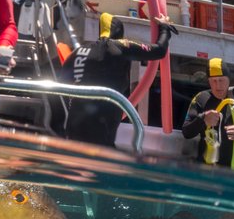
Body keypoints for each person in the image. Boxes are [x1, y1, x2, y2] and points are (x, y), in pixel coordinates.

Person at [58, 13, 175, 147]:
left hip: (74, 128)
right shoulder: (118, 46)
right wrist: (165, 28)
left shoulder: (77, 52)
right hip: (101, 130)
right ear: (119, 31)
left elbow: (62, 86)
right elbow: (159, 51)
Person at [181, 58, 234, 170]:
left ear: (229, 80)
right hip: (207, 172)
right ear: (209, 81)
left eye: (221, 80)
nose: (218, 85)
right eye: (214, 81)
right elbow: (186, 132)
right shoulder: (201, 99)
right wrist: (203, 119)